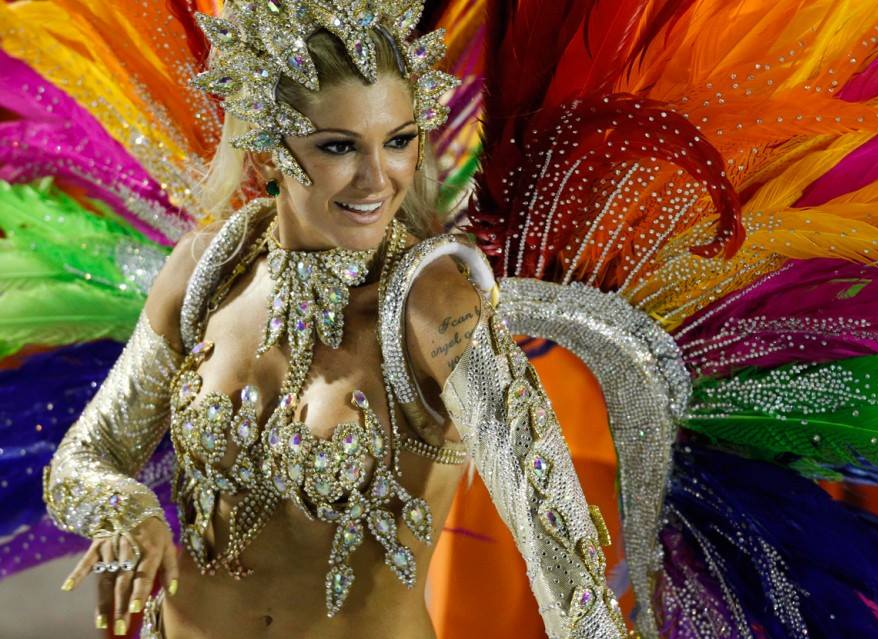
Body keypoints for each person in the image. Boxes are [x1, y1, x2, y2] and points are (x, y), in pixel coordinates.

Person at [41, 2, 625, 638]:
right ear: (268, 150)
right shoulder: (206, 271)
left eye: (398, 141)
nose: (377, 179)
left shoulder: (434, 306)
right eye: (339, 146)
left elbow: (555, 538)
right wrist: (126, 511)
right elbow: (83, 458)